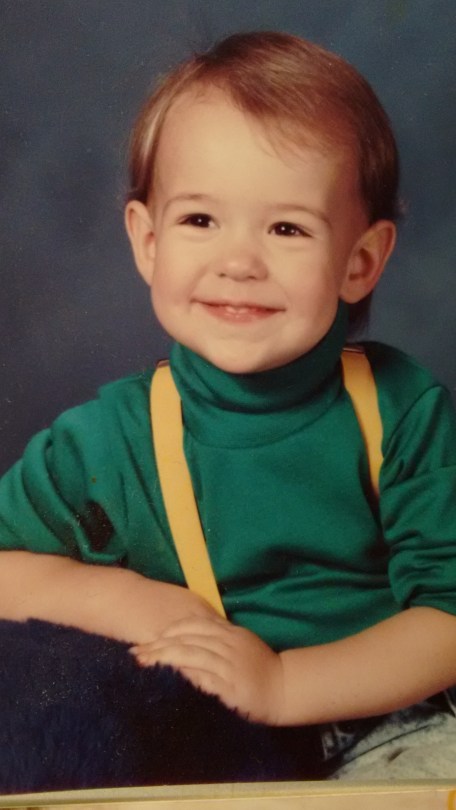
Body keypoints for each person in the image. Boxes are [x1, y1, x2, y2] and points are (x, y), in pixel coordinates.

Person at [1, 31, 456, 780]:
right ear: (148, 241)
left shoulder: (403, 411)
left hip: (391, 724)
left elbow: (448, 618)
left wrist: (283, 685)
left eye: (286, 228)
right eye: (200, 221)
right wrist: (142, 606)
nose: (238, 262)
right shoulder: (104, 444)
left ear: (360, 261)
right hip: (207, 723)